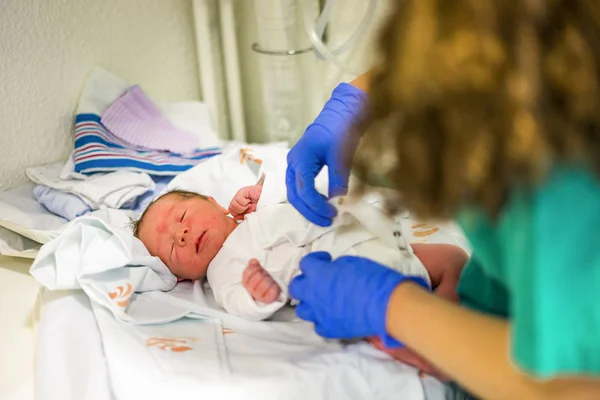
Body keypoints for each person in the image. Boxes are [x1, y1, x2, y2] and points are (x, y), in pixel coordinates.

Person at [286, 0, 600, 398]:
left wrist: (394, 306)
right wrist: (357, 99)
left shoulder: (566, 189)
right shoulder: (532, 60)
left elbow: (568, 388)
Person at [133, 186, 466, 329]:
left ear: (214, 201)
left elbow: (296, 188)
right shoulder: (223, 270)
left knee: (452, 256)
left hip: (359, 234)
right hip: (340, 275)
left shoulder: (257, 210)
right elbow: (237, 301)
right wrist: (260, 295)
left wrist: (266, 193)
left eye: (183, 216)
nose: (182, 233)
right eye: (172, 248)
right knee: (381, 310)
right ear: (184, 277)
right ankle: (429, 330)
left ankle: (446, 301)